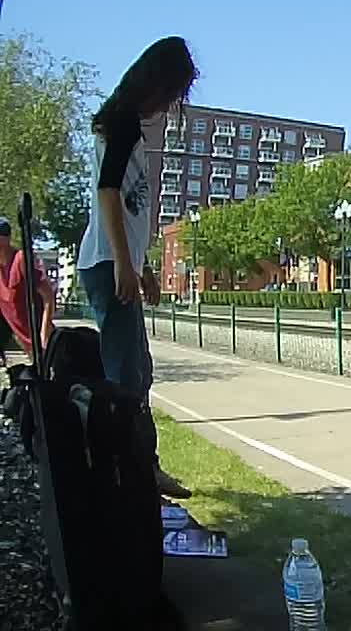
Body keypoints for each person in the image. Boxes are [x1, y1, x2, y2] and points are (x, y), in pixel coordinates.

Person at [77, 36, 198, 500]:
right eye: (173, 93)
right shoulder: (124, 124)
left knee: (136, 371)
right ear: (158, 84)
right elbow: (109, 195)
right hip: (109, 262)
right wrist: (125, 265)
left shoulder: (123, 124)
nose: (172, 105)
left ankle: (138, 465)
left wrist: (141, 266)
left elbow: (129, 207)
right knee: (126, 378)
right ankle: (128, 470)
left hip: (116, 260)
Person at [0, 218, 55, 363]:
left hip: (43, 343)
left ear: (5, 239)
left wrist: (44, 333)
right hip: (26, 344)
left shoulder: (21, 259)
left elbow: (48, 296)